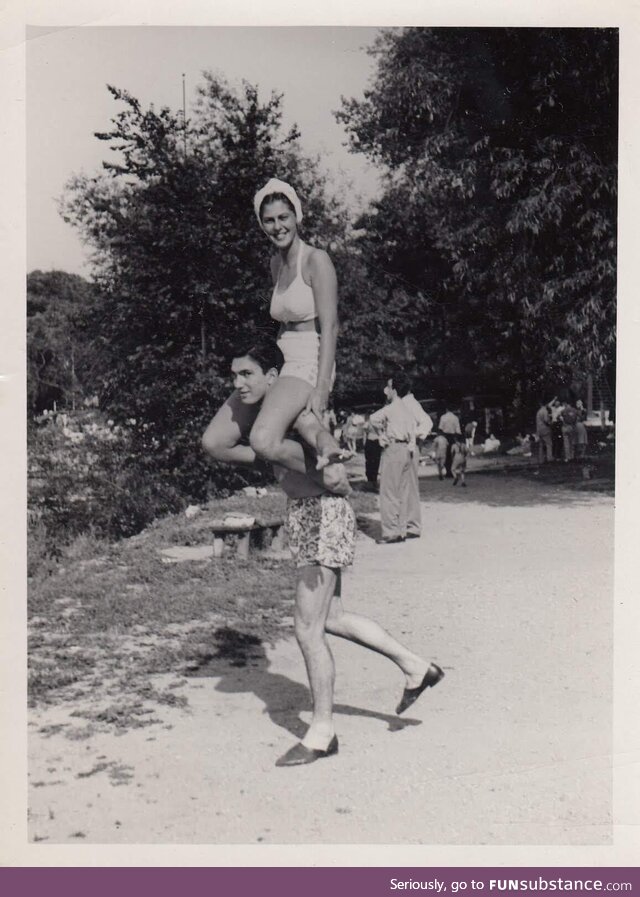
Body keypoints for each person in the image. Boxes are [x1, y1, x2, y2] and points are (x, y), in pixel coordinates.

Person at [203, 336, 444, 765]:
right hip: (306, 512)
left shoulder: (292, 410)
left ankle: (322, 732)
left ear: (273, 377)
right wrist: (272, 459)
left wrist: (327, 454)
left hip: (322, 513)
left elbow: (314, 430)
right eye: (234, 375)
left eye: (247, 374)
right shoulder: (267, 425)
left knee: (306, 628)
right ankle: (415, 667)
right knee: (331, 618)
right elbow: (220, 445)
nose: (238, 383)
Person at [202, 178, 347, 478]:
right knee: (215, 442)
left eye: (284, 217)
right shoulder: (275, 265)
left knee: (263, 439)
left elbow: (330, 326)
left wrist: (321, 387)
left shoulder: (316, 260)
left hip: (310, 359)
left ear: (297, 216)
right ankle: (297, 465)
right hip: (280, 361)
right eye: (269, 220)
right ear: (261, 224)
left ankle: (331, 476)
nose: (277, 226)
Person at [368, 373, 419, 543]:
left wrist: (381, 435)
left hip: (394, 448)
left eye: (389, 388)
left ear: (394, 390)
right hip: (406, 449)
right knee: (403, 491)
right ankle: (402, 529)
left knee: (388, 491)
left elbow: (373, 419)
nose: (386, 391)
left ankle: (391, 532)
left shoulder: (391, 408)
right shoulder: (407, 408)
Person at [438, 405, 462, 478]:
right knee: (452, 454)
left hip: (445, 436)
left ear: (446, 409)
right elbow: (458, 430)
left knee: (445, 454)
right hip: (453, 437)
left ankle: (448, 471)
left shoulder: (443, 417)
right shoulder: (455, 418)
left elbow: (440, 428)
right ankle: (452, 470)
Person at [363, 413, 382, 490]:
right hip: (376, 441)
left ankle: (370, 479)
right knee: (375, 461)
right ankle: (373, 479)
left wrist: (364, 442)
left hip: (370, 440)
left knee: (369, 461)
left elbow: (365, 432)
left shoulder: (368, 423)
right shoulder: (379, 423)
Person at [535, 399, 553, 463]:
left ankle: (541, 459)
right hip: (545, 429)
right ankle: (549, 458)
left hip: (539, 430)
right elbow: (546, 420)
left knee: (541, 445)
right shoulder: (545, 411)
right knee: (549, 444)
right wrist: (551, 423)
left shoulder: (538, 411)